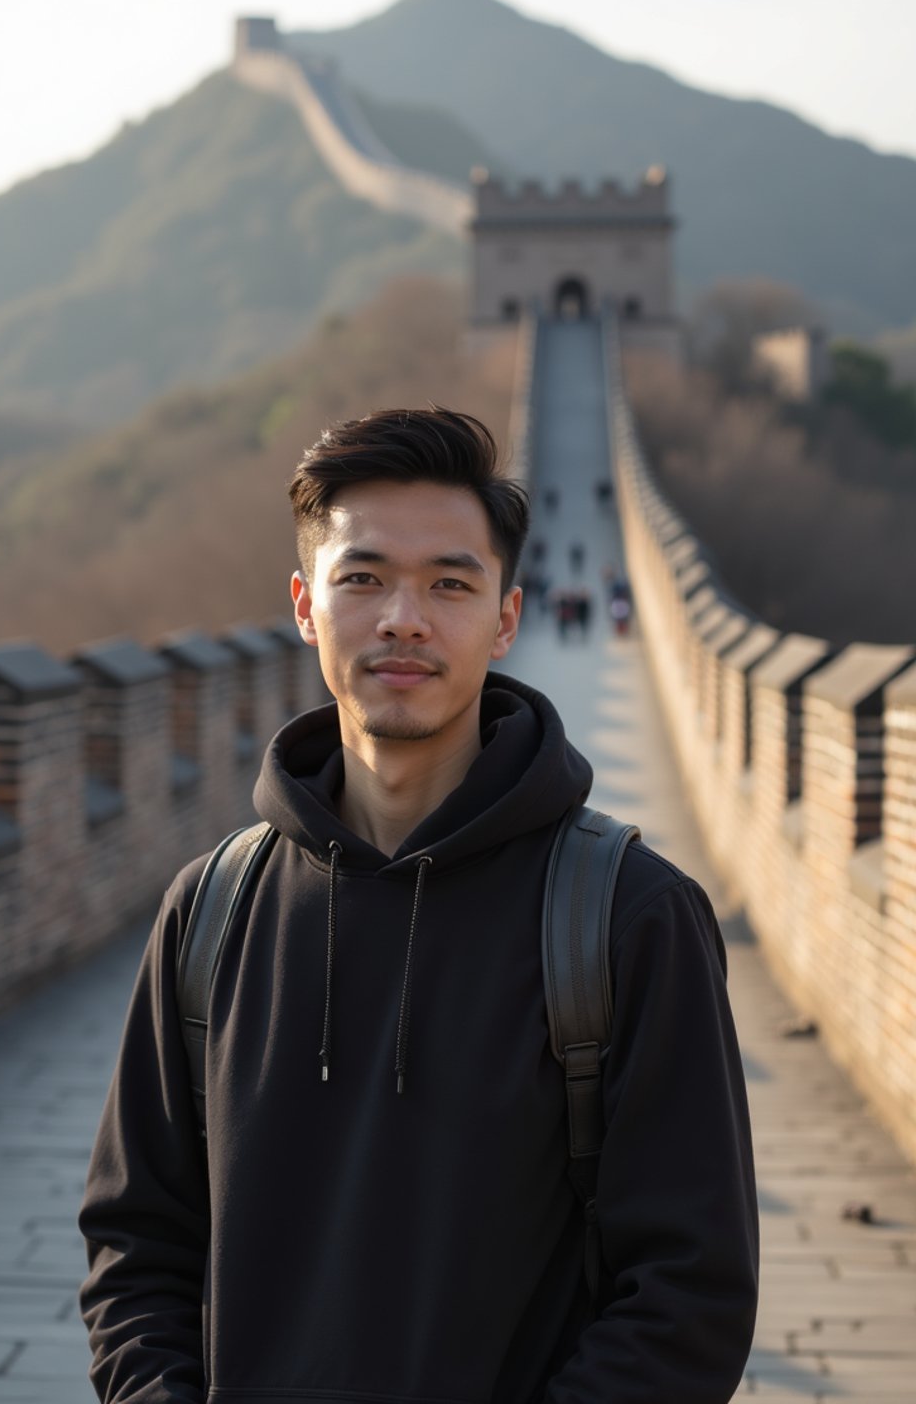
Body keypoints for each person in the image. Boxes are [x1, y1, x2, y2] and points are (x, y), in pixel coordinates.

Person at [79, 407, 759, 1404]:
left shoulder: (626, 917)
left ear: (507, 617)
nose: (403, 616)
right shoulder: (212, 910)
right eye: (362, 579)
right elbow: (137, 1246)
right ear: (306, 606)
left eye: (450, 582)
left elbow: (689, 1294)